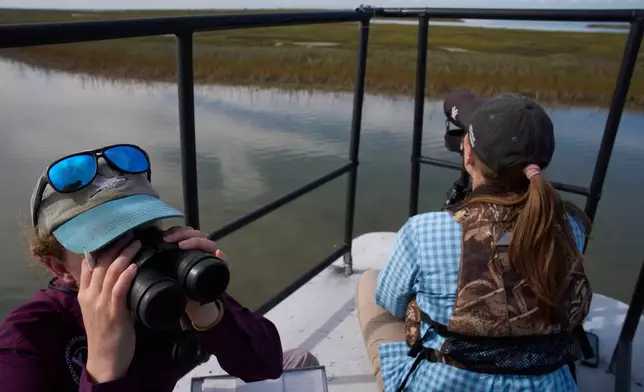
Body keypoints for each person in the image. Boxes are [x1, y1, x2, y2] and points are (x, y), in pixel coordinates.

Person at [0, 144, 319, 391]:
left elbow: (266, 365)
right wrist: (103, 368)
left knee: (302, 362)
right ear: (59, 268)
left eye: (144, 230)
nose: (136, 254)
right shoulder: (26, 340)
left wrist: (209, 313)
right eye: (104, 243)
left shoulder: (168, 277)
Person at [356, 93, 592, 392]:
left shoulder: (424, 230)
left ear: (468, 155)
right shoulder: (571, 227)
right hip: (548, 382)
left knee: (371, 284)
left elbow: (391, 302)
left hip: (445, 382)